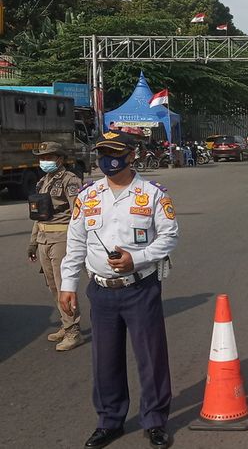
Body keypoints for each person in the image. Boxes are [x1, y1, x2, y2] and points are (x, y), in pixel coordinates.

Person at [59, 130, 178, 449]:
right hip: (101, 290)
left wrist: (136, 259)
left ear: (131, 155)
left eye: (114, 152)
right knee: (105, 360)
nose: (107, 159)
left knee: (150, 357)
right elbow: (76, 242)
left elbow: (168, 237)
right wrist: (67, 284)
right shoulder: (88, 194)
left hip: (140, 287)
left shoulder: (152, 194)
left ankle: (154, 420)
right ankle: (109, 420)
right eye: (102, 153)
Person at [27, 141, 83, 351]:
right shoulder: (43, 181)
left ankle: (73, 331)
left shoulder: (70, 180)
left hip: (62, 237)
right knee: (52, 285)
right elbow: (38, 216)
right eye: (42, 157)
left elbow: (78, 214)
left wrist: (78, 243)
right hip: (43, 237)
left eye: (49, 157)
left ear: (59, 159)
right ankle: (65, 322)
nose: (44, 161)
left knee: (63, 285)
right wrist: (32, 244)